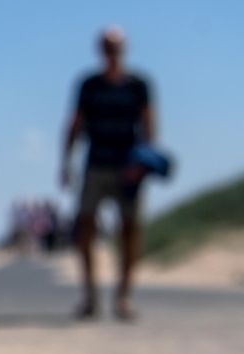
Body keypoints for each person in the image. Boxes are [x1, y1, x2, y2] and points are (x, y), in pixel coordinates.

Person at [61, 26, 155, 321]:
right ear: (99, 50)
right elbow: (74, 123)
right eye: (106, 46)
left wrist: (145, 161)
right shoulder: (89, 84)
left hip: (129, 165)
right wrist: (66, 162)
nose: (111, 52)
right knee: (85, 227)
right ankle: (90, 297)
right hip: (96, 163)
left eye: (115, 47)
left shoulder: (138, 84)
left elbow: (149, 123)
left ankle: (124, 297)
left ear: (124, 49)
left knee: (130, 230)